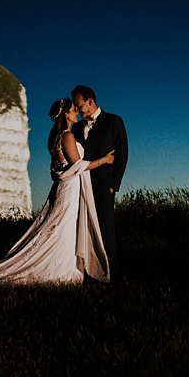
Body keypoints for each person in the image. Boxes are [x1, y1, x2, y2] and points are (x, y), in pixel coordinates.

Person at [0, 98, 113, 287]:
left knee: (61, 226)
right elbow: (78, 165)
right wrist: (104, 160)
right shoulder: (67, 136)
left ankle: (67, 265)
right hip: (69, 189)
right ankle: (61, 269)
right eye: (73, 109)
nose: (76, 111)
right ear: (65, 114)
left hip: (64, 188)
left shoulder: (56, 136)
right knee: (63, 226)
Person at [71, 84, 129, 277]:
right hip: (80, 186)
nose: (77, 110)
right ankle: (86, 269)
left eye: (79, 106)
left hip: (104, 186)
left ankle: (110, 271)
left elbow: (122, 154)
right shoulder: (77, 128)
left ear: (90, 101)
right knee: (82, 227)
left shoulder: (114, 121)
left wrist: (114, 185)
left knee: (105, 228)